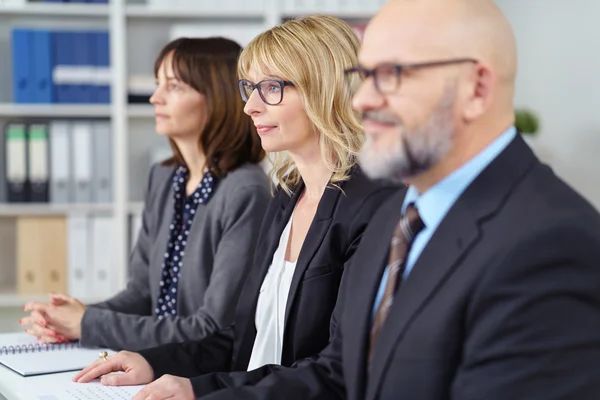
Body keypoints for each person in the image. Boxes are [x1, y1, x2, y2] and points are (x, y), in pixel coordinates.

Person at [147, 0, 600, 399]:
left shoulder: (552, 241)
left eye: (390, 75)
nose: (360, 101)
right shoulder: (401, 217)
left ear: (477, 89)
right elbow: (343, 373)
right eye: (362, 77)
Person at [72, 14, 399, 400]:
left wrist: (202, 390)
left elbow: (337, 370)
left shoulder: (373, 205)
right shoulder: (286, 198)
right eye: (250, 89)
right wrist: (153, 362)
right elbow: (241, 338)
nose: (250, 108)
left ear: (324, 90)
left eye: (272, 88)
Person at [20, 37, 271, 351]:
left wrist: (87, 323)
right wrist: (68, 318)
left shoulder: (246, 190)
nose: (155, 98)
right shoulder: (165, 178)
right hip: (154, 361)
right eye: (157, 84)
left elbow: (212, 327)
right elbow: (141, 294)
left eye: (174, 86)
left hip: (200, 373)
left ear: (217, 97)